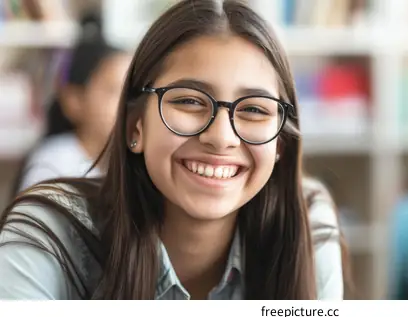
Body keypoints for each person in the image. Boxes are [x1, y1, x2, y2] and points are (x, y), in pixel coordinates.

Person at [0, 0, 348, 300]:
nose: (221, 137)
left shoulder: (306, 223)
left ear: (280, 144)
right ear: (135, 126)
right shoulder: (47, 233)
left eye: (254, 109)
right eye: (188, 100)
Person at [11, 13, 131, 195]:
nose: (128, 104)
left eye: (132, 91)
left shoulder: (121, 164)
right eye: (113, 90)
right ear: (74, 101)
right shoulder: (53, 166)